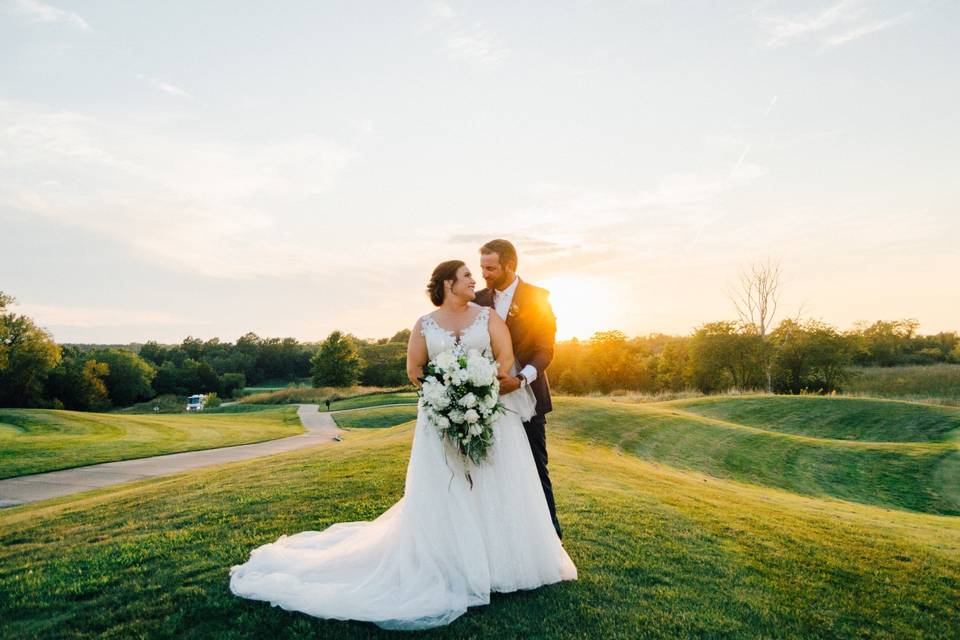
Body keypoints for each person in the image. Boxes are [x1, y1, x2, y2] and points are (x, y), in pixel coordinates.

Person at [229, 259, 576, 630]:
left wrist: (478, 389)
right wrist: (445, 393)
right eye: (466, 276)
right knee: (449, 486)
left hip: (486, 411)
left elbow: (505, 358)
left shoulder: (488, 317)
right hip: (440, 414)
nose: (474, 279)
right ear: (447, 284)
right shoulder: (424, 324)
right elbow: (415, 370)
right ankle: (451, 560)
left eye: (477, 273)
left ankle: (502, 561)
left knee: (497, 482)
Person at [473, 239, 562, 538]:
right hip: (486, 400)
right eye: (482, 267)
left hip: (527, 396)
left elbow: (545, 350)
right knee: (491, 470)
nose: (484, 274)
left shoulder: (537, 298)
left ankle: (550, 539)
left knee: (536, 469)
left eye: (491, 267)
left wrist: (522, 379)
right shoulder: (476, 299)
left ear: (510, 265)